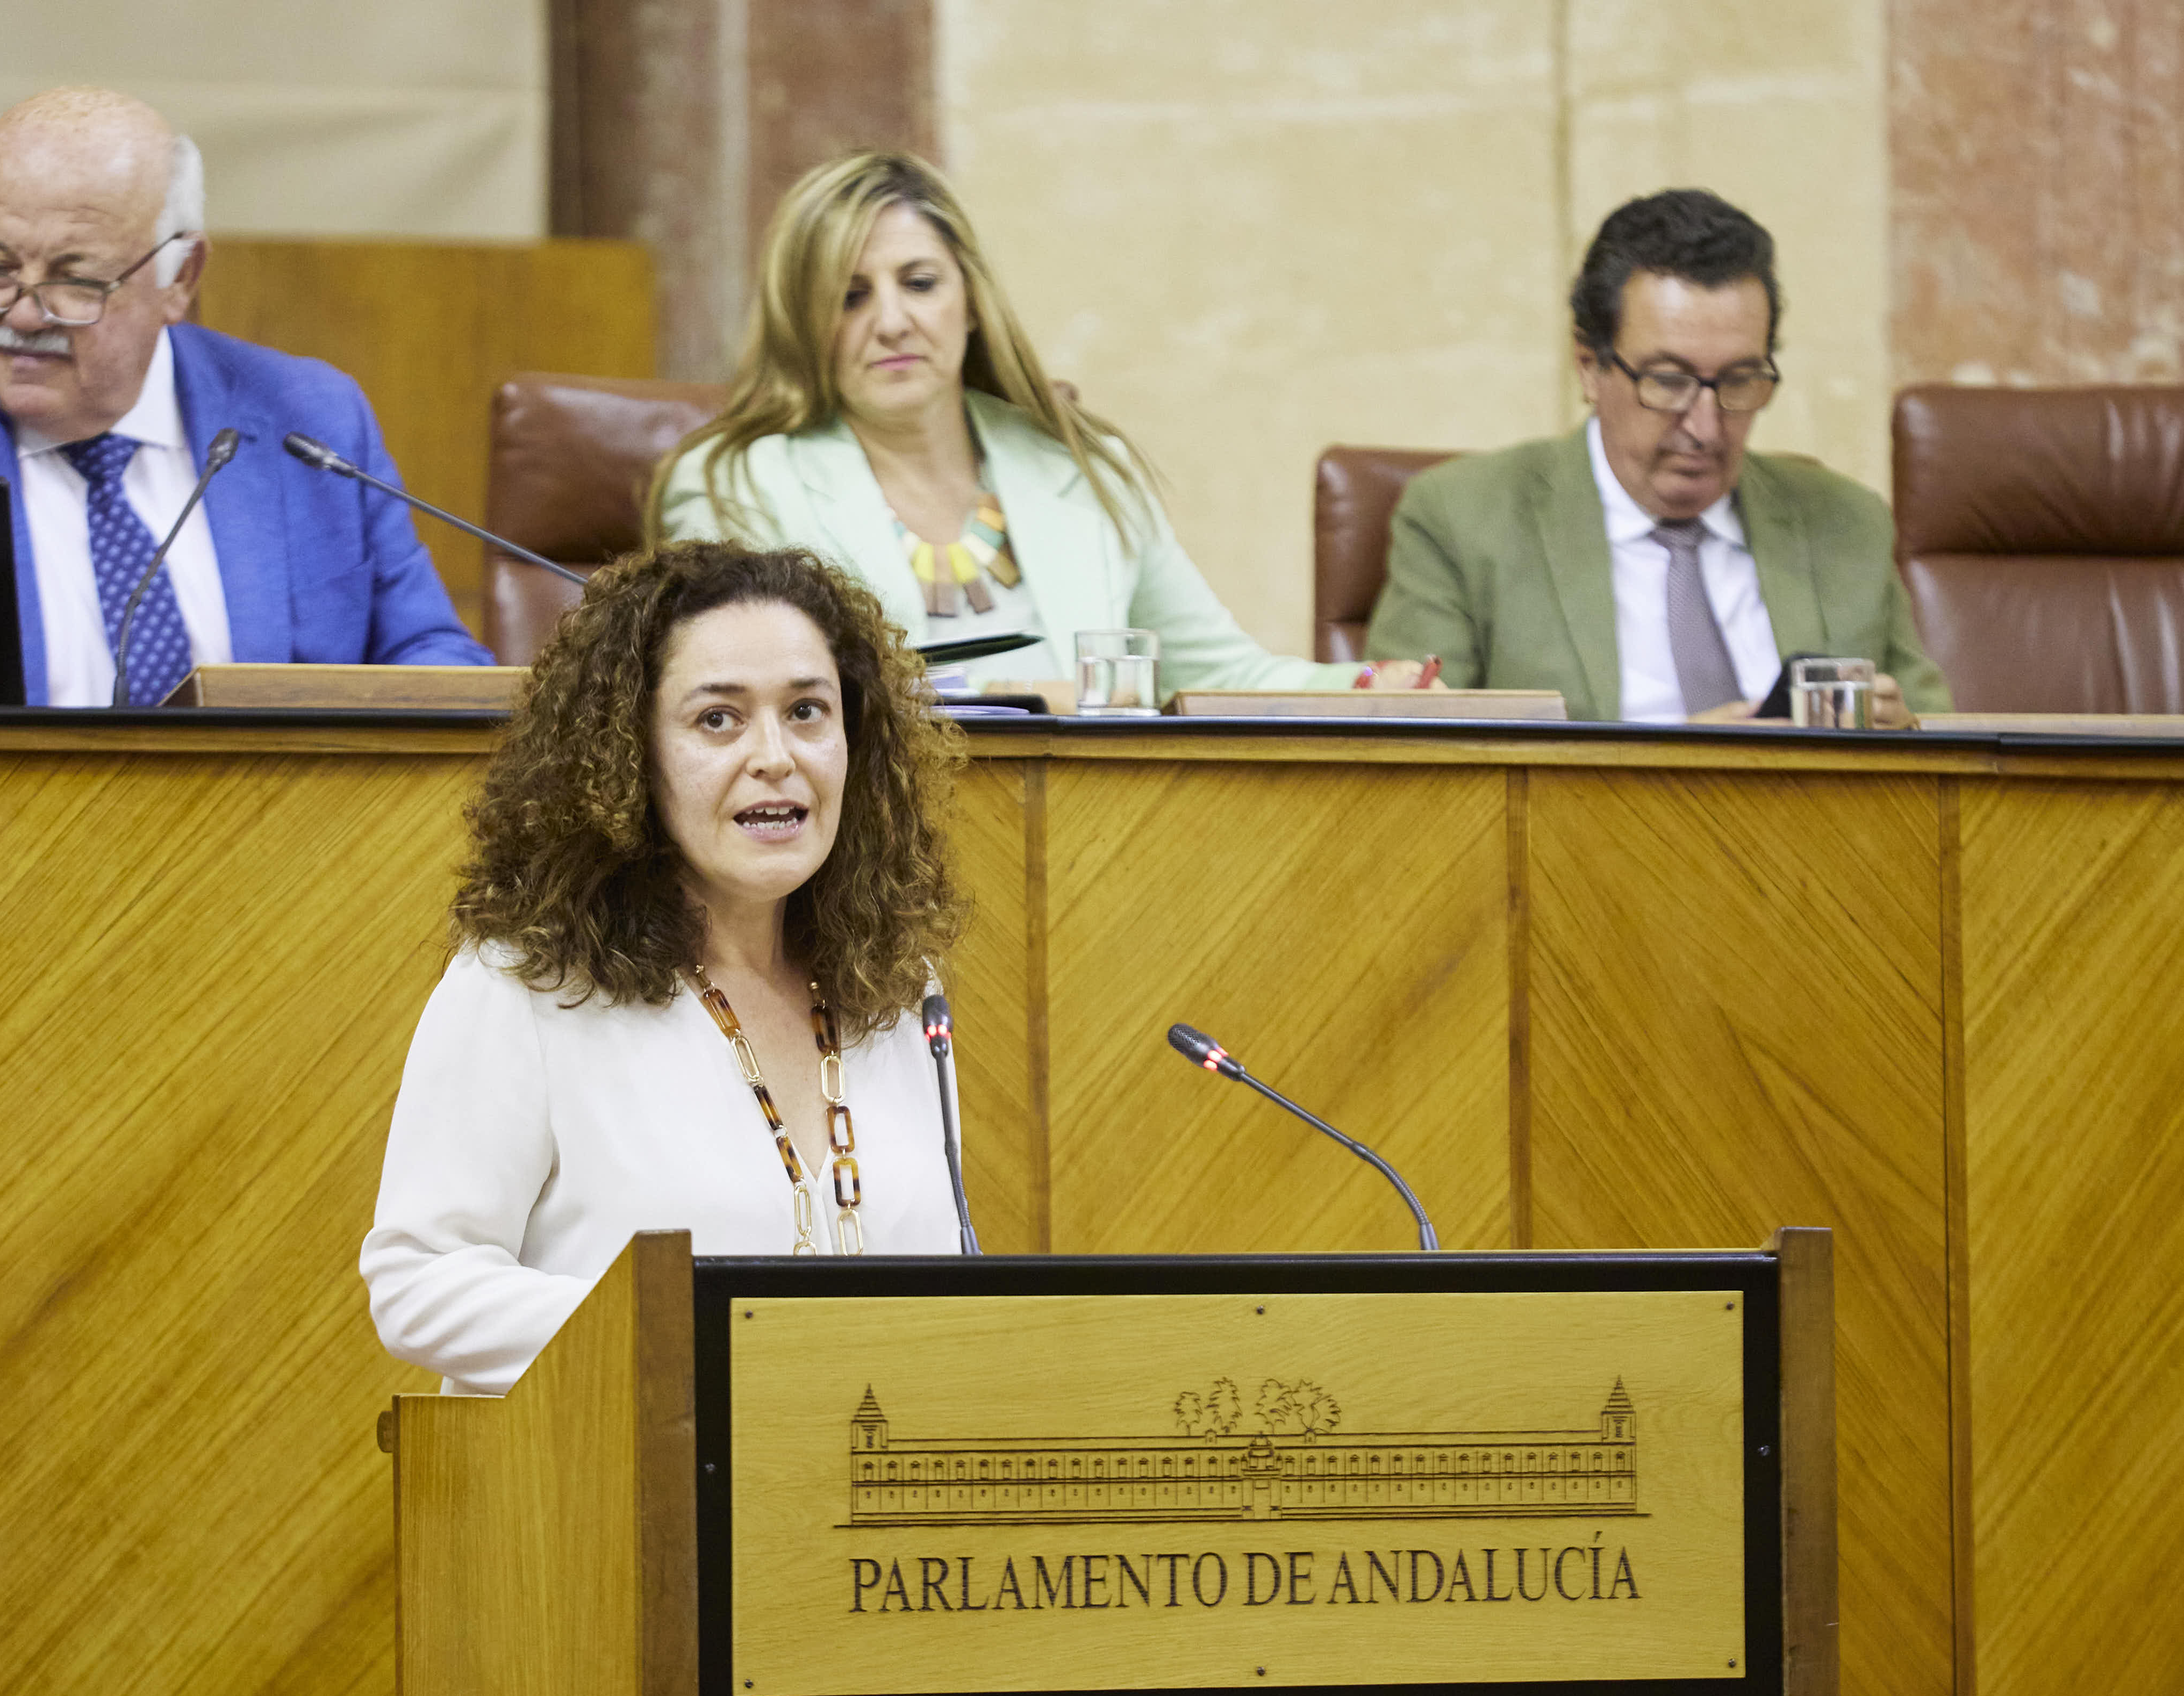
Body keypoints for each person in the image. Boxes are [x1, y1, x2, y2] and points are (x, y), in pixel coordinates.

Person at [362, 541, 968, 1393]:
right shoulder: (527, 985)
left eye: (807, 712)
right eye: (718, 719)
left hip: (853, 1496)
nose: (774, 756)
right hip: (611, 1496)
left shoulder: (899, 989)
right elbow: (420, 1284)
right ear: (628, 756)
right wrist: (704, 1338)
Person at [0, 87, 490, 707]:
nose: (25, 314)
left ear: (181, 278)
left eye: (76, 279)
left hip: (281, 854)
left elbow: (431, 657)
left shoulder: (313, 421)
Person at [649, 151, 1417, 702]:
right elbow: (760, 703)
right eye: (850, 297)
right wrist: (1022, 695)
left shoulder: (1082, 464)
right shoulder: (734, 481)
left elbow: (1214, 672)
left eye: (920, 283)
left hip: (1095, 831)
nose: (891, 322)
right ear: (802, 320)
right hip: (865, 864)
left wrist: (1363, 683)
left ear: (971, 301)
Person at [1367, 189, 1951, 727]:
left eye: (1740, 379)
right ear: (1590, 367)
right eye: (1668, 381)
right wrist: (1669, 770)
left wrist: (1910, 737)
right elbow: (1425, 774)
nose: (1705, 426)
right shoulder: (1463, 520)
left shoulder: (1846, 523)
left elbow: (1952, 748)